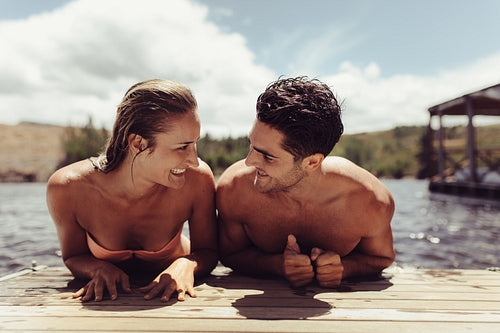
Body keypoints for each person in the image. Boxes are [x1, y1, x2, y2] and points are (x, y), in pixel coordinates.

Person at [47, 79, 218, 302]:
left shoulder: (197, 180)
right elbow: (73, 256)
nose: (194, 161)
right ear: (138, 143)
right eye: (183, 147)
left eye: (195, 144)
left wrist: (185, 264)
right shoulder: (68, 188)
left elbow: (208, 252)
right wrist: (96, 268)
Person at [217, 76, 395, 288]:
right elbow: (229, 255)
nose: (248, 161)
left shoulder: (369, 200)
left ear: (312, 162)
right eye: (252, 145)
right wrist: (276, 266)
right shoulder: (234, 189)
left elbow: (382, 258)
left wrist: (345, 268)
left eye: (267, 156)